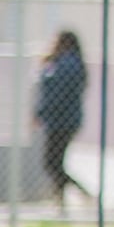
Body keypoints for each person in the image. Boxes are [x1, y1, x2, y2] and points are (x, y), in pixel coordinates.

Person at [32, 29, 87, 205]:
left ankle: (80, 193)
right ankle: (61, 198)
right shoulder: (66, 63)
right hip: (62, 120)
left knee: (52, 162)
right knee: (55, 162)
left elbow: (55, 93)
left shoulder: (66, 65)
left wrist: (41, 112)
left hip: (61, 121)